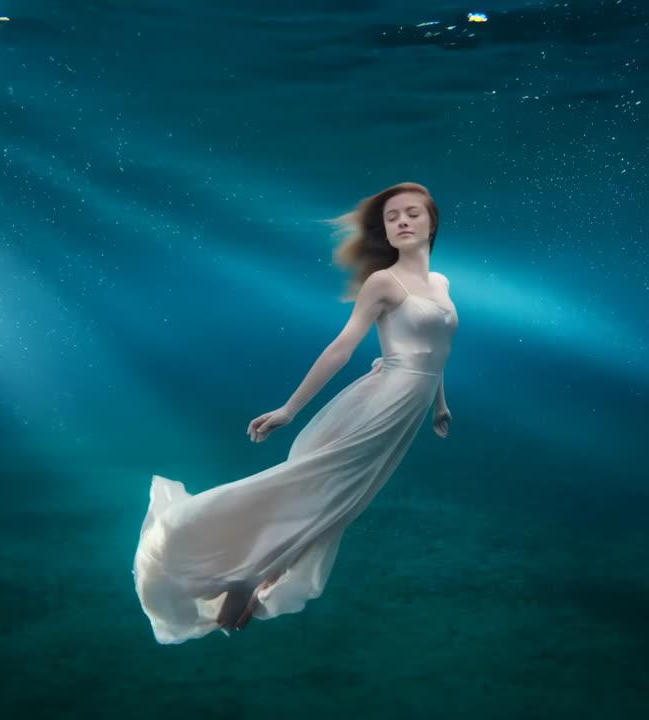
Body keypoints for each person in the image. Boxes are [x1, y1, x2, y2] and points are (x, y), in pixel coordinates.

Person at [133, 182, 458, 644]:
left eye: (412, 214)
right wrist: (289, 408)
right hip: (383, 405)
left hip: (410, 407)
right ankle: (240, 572)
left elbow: (439, 350)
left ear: (432, 223)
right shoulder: (384, 282)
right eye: (392, 217)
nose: (402, 222)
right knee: (320, 493)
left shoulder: (441, 283)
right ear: (385, 231)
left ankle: (262, 574)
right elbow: (342, 348)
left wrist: (440, 406)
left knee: (343, 503)